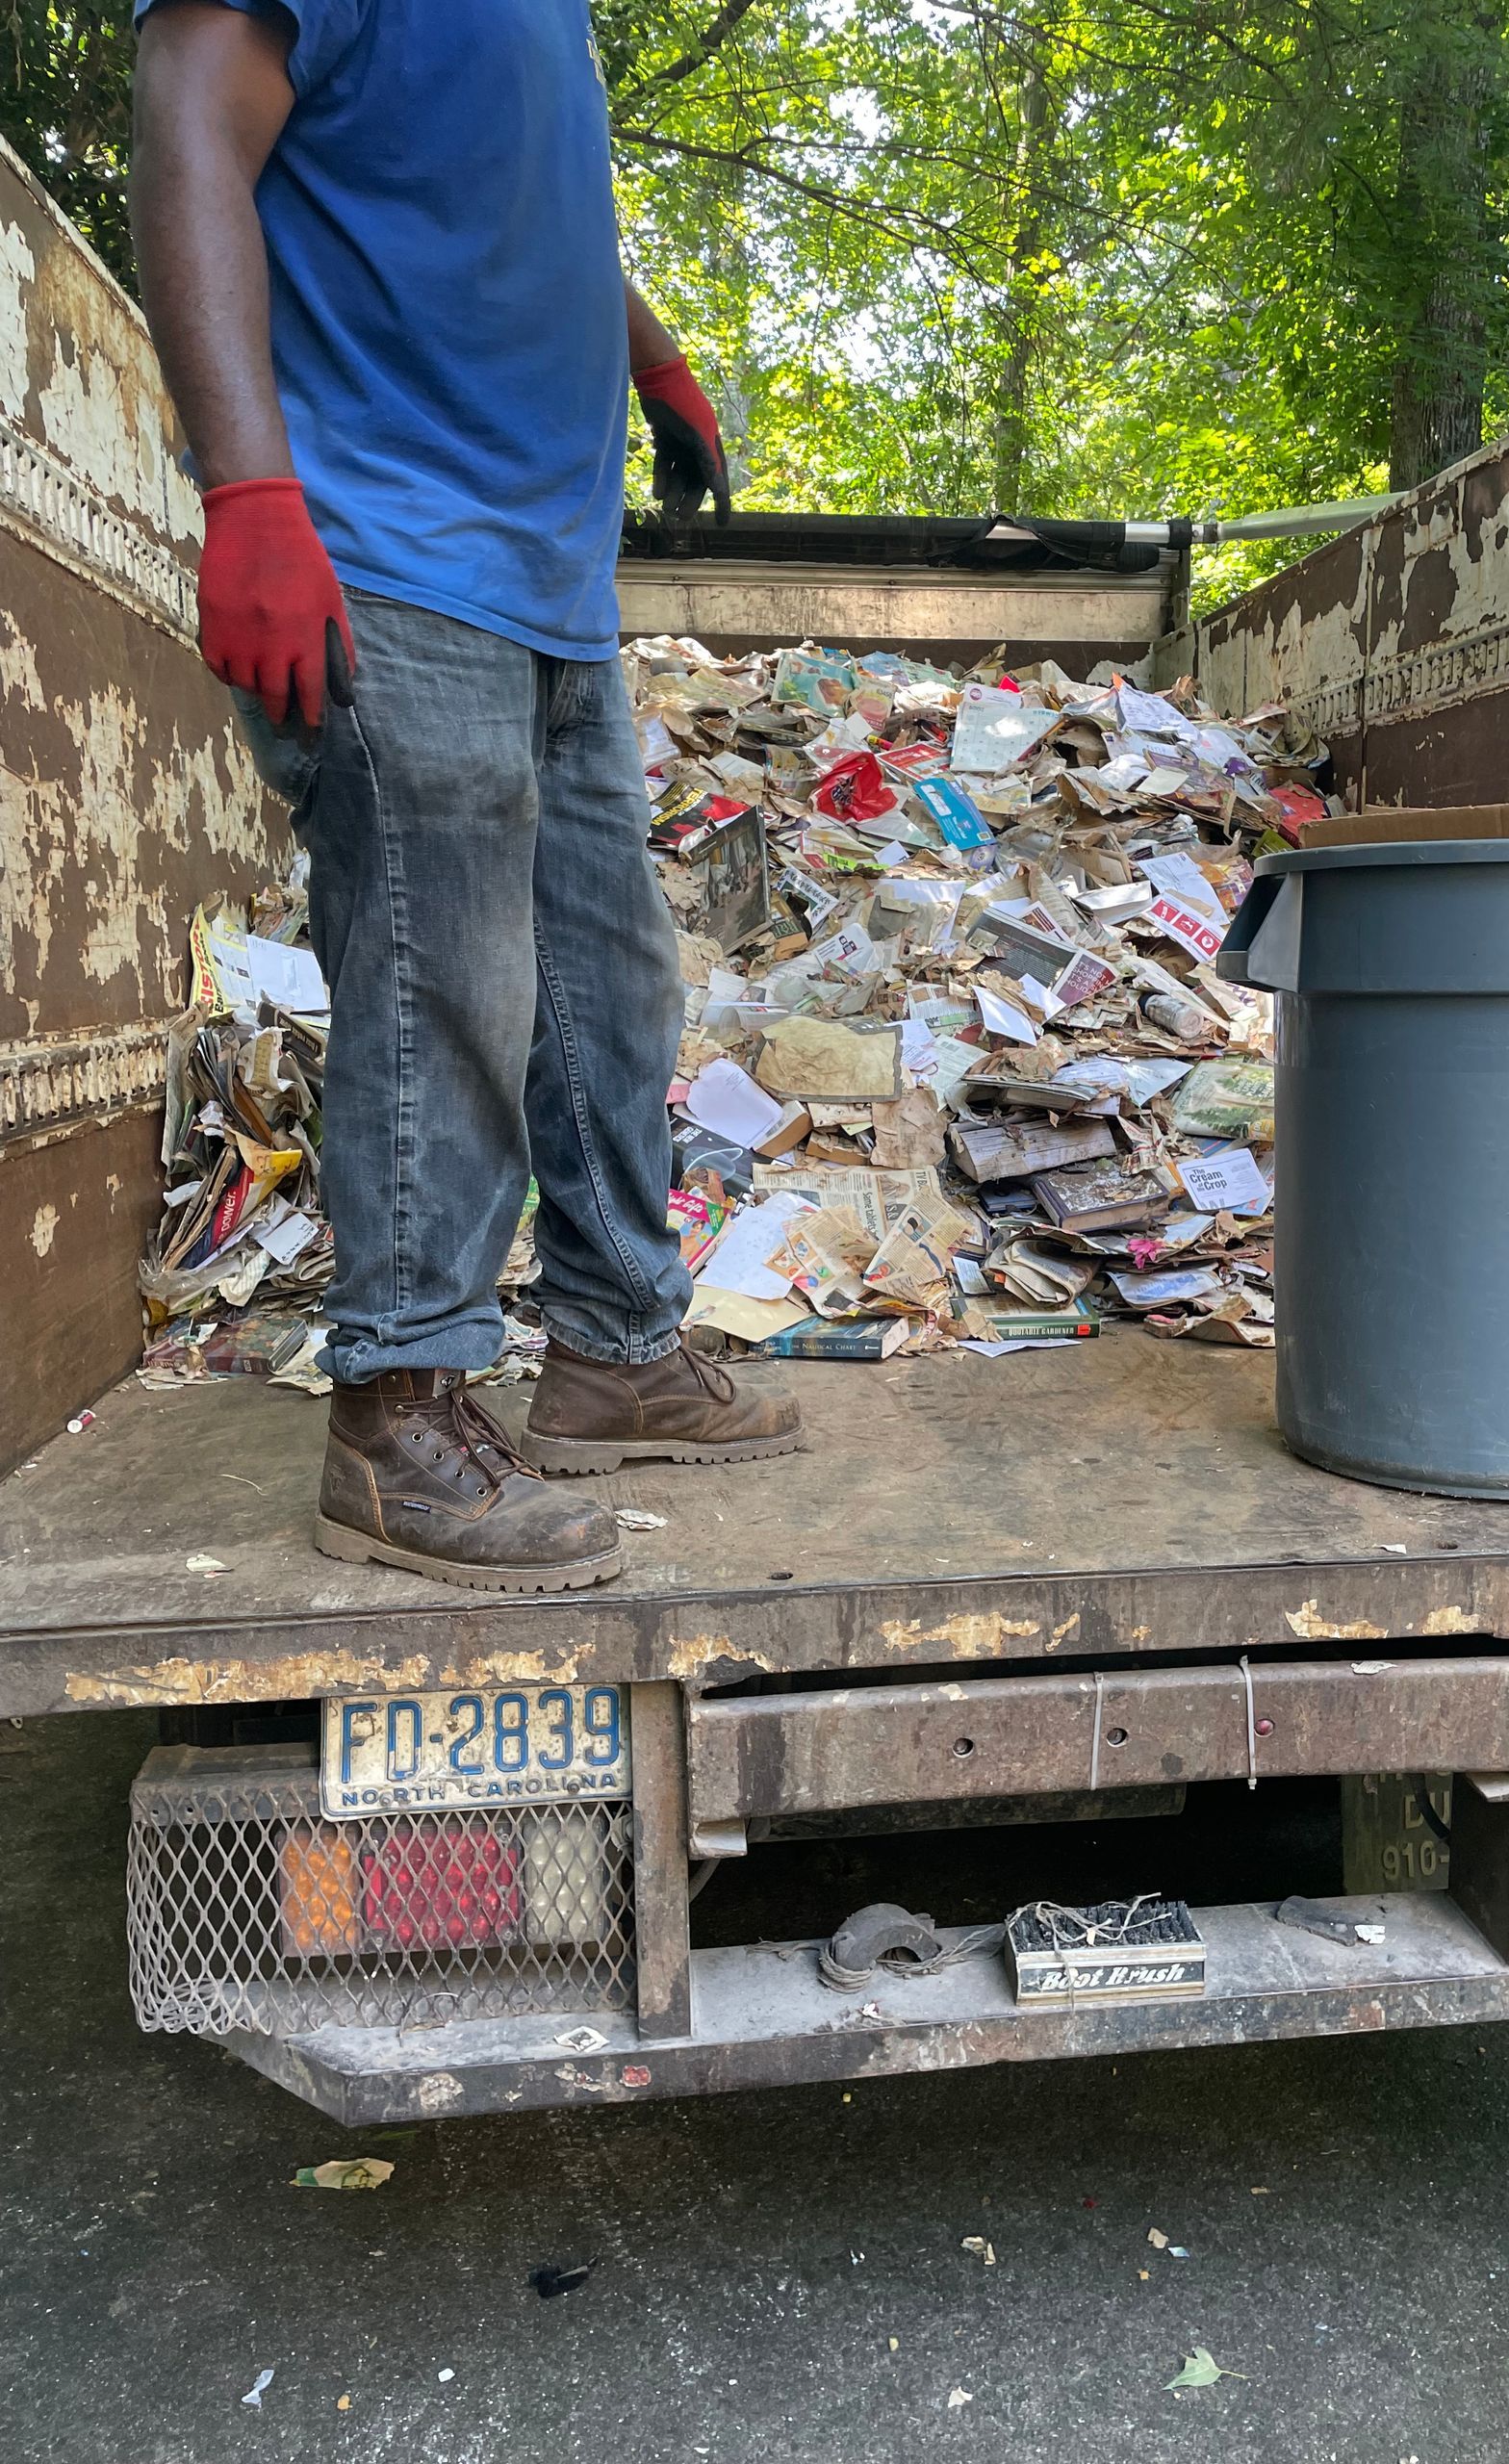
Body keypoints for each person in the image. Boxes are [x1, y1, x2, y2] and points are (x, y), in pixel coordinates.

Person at [129, 0, 801, 1595]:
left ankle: (617, 1347)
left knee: (609, 983)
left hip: (547, 583)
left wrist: (651, 353)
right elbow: (187, 126)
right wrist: (248, 497)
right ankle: (396, 1416)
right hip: (383, 550)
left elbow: (507, 204)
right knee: (451, 980)